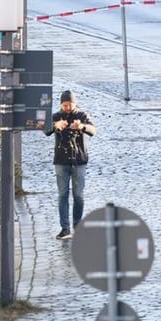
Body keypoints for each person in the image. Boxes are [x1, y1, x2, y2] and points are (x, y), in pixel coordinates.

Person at [44, 90, 97, 240]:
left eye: (70, 104)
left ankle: (77, 225)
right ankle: (65, 228)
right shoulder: (56, 116)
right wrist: (55, 126)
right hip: (61, 161)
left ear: (75, 103)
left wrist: (81, 127)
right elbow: (45, 130)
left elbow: (93, 130)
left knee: (78, 195)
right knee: (62, 194)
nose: (67, 107)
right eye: (65, 105)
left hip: (79, 160)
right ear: (61, 104)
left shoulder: (82, 115)